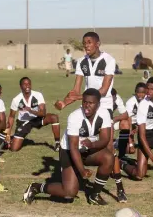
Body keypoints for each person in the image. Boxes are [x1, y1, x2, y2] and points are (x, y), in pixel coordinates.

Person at [54, 31, 127, 203]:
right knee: (81, 144)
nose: (86, 45)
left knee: (108, 149)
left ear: (98, 43)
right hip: (87, 107)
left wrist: (81, 98)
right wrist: (65, 103)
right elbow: (76, 90)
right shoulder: (81, 62)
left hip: (104, 107)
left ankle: (119, 187)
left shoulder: (109, 60)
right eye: (84, 43)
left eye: (89, 42)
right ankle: (82, 178)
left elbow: (103, 90)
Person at [23, 88, 114, 205]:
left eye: (91, 103)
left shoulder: (104, 113)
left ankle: (94, 195)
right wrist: (82, 170)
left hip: (88, 148)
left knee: (109, 158)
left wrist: (92, 144)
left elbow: (105, 139)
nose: (87, 106)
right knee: (69, 193)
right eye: (84, 102)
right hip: (69, 151)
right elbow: (73, 147)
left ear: (98, 104)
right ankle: (36, 187)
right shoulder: (74, 117)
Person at [0, 77, 61, 152]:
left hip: (37, 118)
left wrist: (31, 110)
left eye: (29, 84)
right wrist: (8, 134)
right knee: (14, 148)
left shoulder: (38, 95)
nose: (27, 86)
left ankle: (58, 144)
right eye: (24, 84)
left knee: (54, 117)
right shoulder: (16, 100)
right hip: (24, 122)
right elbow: (11, 117)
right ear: (20, 86)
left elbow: (43, 113)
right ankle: (8, 141)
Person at [111, 88, 133, 159]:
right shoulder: (100, 100)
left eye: (114, 98)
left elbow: (125, 115)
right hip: (98, 124)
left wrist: (114, 119)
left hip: (110, 121)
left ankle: (121, 155)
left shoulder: (117, 98)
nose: (113, 101)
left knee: (125, 123)